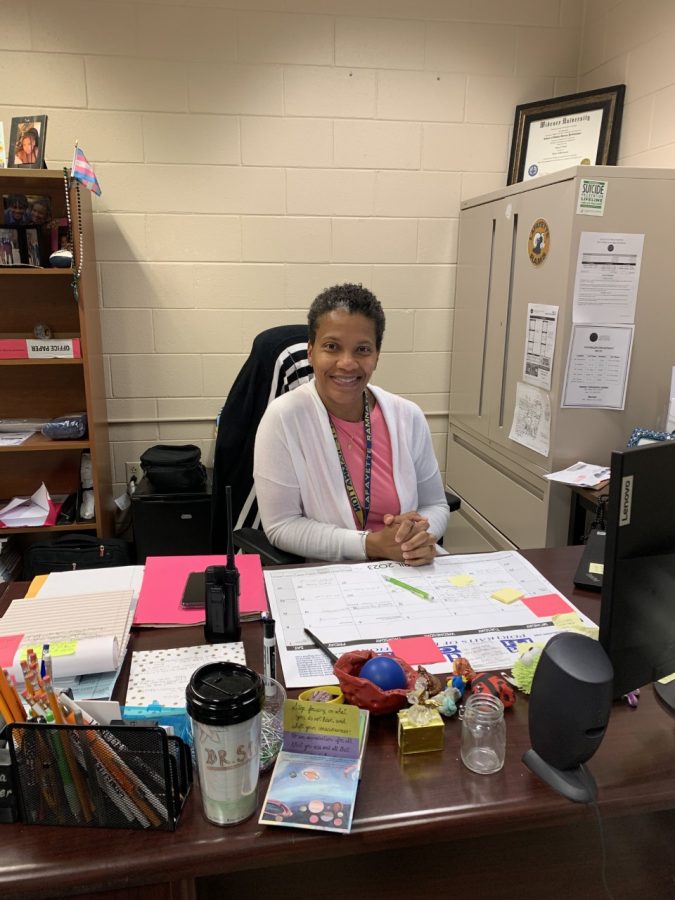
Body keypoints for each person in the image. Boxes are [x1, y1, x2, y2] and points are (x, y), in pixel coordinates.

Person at [254, 283, 450, 565]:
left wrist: (417, 534)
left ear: (377, 356)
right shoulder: (283, 418)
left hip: (408, 569)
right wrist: (371, 544)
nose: (347, 363)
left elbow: (436, 505)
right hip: (334, 580)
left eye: (362, 349)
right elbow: (282, 526)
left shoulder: (408, 416)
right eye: (332, 347)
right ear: (311, 351)